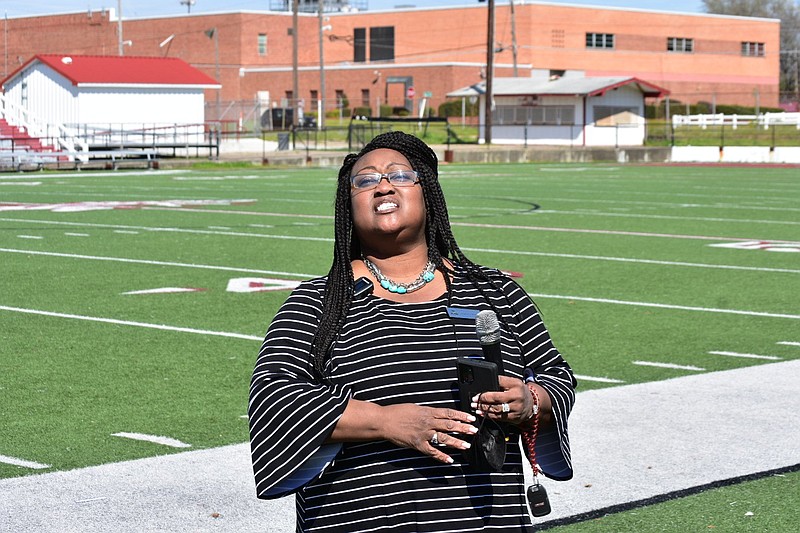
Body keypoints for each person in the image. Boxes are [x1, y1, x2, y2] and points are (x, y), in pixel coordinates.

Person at [249, 131, 576, 531]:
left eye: (399, 175)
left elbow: (556, 378)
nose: (382, 185)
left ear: (429, 192)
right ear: (347, 206)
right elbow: (274, 399)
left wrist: (530, 400)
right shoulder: (319, 302)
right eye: (364, 180)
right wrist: (385, 422)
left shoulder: (496, 291)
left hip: (488, 521)